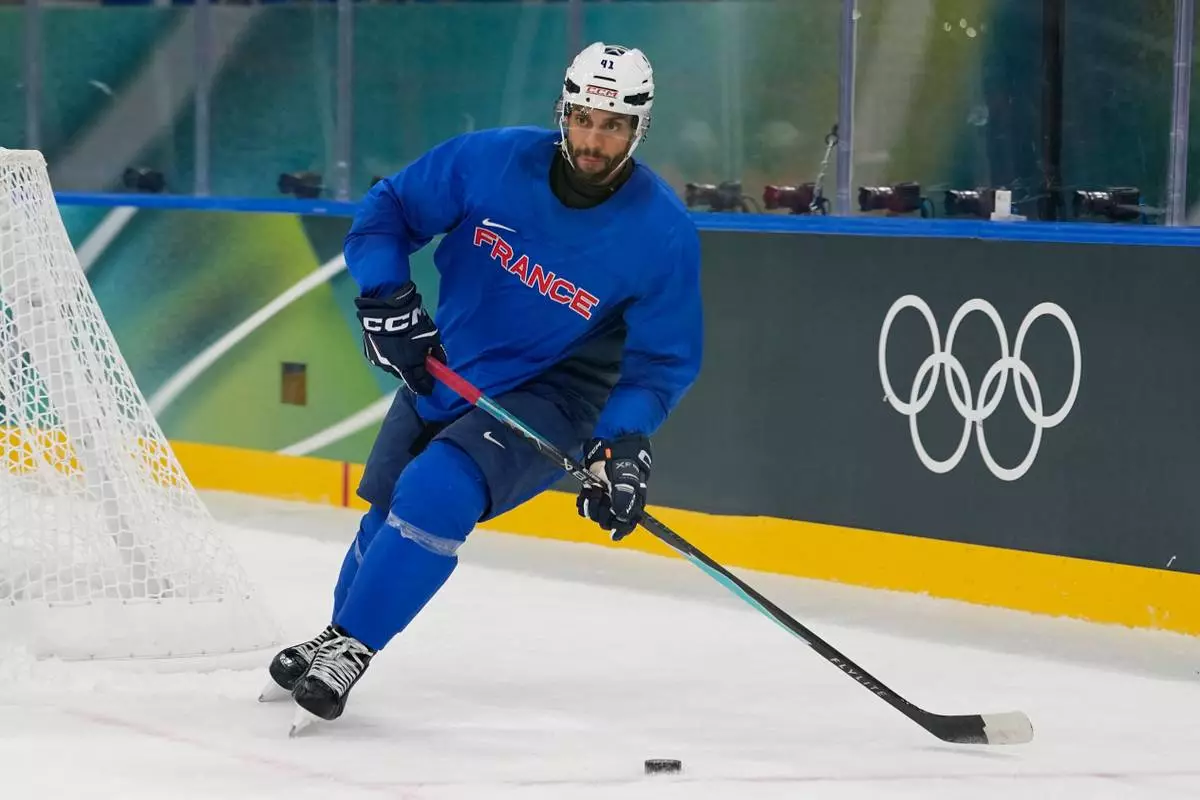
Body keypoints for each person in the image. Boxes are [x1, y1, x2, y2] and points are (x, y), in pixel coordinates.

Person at [264, 42, 703, 726]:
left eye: (614, 126)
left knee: (437, 489)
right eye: (584, 119)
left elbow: (661, 363)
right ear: (563, 111)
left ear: (638, 129)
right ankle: (336, 633)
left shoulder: (663, 234)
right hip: (448, 365)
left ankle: (351, 645)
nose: (594, 141)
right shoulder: (491, 160)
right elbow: (388, 210)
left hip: (554, 394)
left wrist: (621, 442)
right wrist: (386, 297)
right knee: (387, 507)